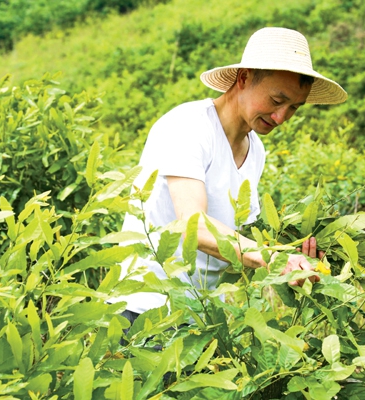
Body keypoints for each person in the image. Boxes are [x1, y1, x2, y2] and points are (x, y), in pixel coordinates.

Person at [110, 27, 347, 322]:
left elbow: (241, 239)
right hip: (147, 309)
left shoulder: (255, 150)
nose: (281, 118)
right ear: (244, 78)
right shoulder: (188, 127)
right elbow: (193, 225)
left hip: (202, 315)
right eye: (276, 101)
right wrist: (275, 259)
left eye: (293, 108)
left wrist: (295, 254)